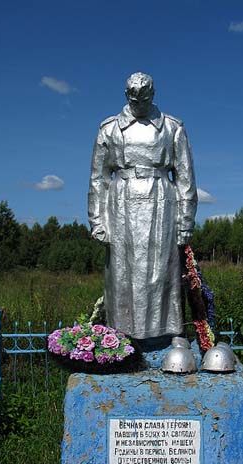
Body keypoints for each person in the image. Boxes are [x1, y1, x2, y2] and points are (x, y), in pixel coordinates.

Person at [88, 72, 197, 340]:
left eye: (144, 99)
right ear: (127, 96)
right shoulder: (109, 128)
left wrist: (185, 222)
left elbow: (185, 177)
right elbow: (98, 178)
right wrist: (97, 220)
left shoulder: (172, 128)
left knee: (162, 271)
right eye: (134, 100)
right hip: (121, 204)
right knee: (122, 275)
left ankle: (166, 335)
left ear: (153, 95)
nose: (139, 104)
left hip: (162, 203)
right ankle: (121, 339)